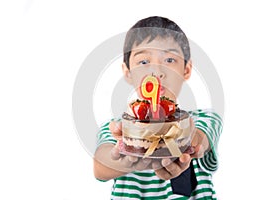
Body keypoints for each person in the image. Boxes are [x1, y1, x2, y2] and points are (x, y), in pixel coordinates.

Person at [93, 16, 223, 199]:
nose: (157, 72)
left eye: (170, 60)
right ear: (128, 72)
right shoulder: (119, 128)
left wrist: (184, 138)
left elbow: (199, 138)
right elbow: (100, 166)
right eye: (144, 62)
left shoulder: (205, 118)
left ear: (186, 70)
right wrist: (132, 157)